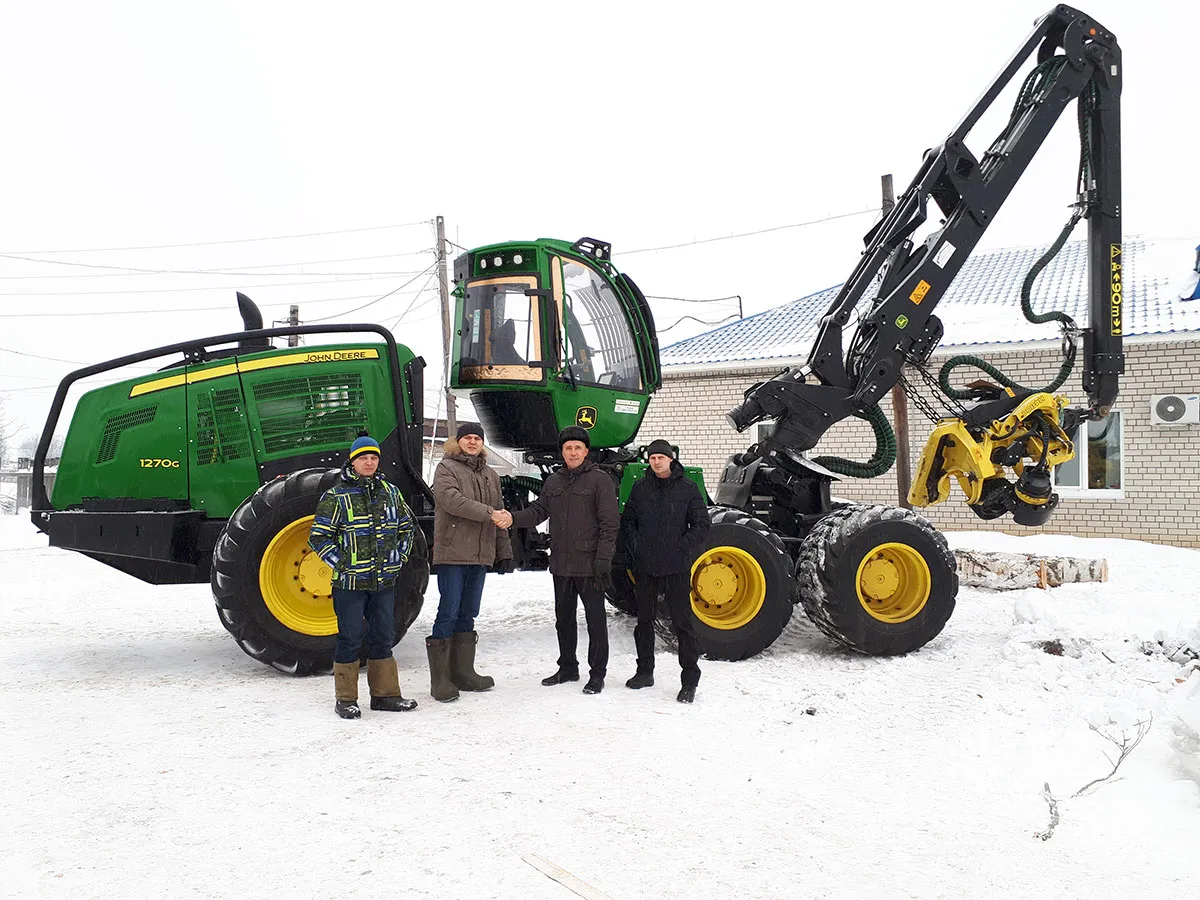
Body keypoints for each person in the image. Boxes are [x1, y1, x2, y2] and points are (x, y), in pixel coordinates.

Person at [309, 434, 419, 719]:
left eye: (373, 458)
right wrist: (343, 563)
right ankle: (346, 699)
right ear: (353, 461)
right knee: (350, 637)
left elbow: (406, 527)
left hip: (383, 582)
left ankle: (385, 695)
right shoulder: (336, 496)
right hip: (350, 584)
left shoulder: (391, 492)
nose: (369, 462)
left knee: (384, 636)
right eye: (363, 458)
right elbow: (319, 537)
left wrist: (399, 556)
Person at [508, 425, 618, 694]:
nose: (573, 452)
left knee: (595, 621)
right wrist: (511, 518)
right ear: (562, 452)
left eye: (577, 447)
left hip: (590, 565)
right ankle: (568, 667)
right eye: (568, 448)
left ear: (586, 451)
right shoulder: (554, 481)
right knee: (564, 620)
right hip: (561, 564)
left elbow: (610, 524)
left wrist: (603, 560)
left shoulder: (600, 480)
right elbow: (538, 511)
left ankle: (597, 674)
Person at [427, 421, 514, 703]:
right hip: (453, 553)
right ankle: (440, 680)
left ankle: (463, 673)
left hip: (479, 554)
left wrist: (504, 551)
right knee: (449, 611)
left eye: (477, 438)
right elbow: (451, 501)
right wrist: (490, 513)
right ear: (459, 441)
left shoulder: (491, 475)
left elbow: (500, 514)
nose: (473, 442)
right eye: (468, 438)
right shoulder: (446, 468)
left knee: (468, 612)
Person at [619, 439, 710, 703]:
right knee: (644, 622)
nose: (656, 462)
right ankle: (644, 672)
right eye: (652, 458)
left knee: (682, 624)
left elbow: (701, 524)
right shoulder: (641, 488)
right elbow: (629, 522)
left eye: (660, 457)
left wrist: (682, 548)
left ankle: (689, 681)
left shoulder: (687, 488)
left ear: (671, 459)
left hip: (676, 567)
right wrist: (637, 546)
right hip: (646, 566)